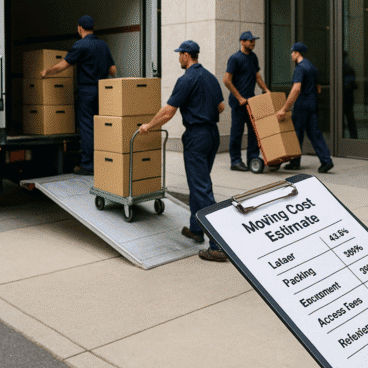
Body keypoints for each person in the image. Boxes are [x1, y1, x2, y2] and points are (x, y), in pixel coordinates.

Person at [138, 40, 227, 262]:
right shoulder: (210, 77)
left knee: (201, 188)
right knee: (199, 184)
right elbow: (221, 107)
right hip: (212, 135)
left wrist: (149, 125)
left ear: (187, 56)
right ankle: (195, 229)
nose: (179, 58)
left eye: (180, 54)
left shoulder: (187, 78)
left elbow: (168, 112)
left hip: (197, 136)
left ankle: (217, 245)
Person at [41, 15, 116, 176]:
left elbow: (63, 65)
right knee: (101, 127)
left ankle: (88, 166)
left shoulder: (81, 45)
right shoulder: (103, 45)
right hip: (103, 90)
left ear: (80, 28)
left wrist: (47, 71)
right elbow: (113, 70)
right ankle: (103, 162)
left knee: (87, 127)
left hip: (87, 91)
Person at [275, 43, 333, 173]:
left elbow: (296, 89)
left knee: (297, 134)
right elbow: (318, 88)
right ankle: (326, 161)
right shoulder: (312, 67)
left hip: (302, 104)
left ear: (297, 53)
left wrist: (284, 109)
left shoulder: (299, 68)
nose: (291, 54)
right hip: (312, 103)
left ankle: (294, 162)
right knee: (314, 132)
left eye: (292, 52)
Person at [223, 31, 269, 172]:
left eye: (254, 40)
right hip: (239, 103)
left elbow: (257, 77)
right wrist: (240, 97)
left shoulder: (253, 57)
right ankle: (235, 161)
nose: (253, 43)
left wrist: (267, 91)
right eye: (250, 41)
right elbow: (226, 80)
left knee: (254, 132)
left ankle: (252, 159)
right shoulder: (235, 58)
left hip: (251, 102)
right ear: (242, 42)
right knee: (237, 132)